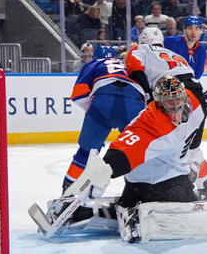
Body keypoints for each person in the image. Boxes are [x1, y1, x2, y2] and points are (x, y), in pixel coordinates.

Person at [48, 75, 207, 243]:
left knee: (131, 202)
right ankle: (137, 217)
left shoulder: (195, 103)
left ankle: (103, 211)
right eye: (169, 99)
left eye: (177, 97)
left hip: (138, 185)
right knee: (194, 217)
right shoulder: (150, 122)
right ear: (158, 101)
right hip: (159, 184)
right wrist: (99, 175)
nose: (175, 104)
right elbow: (121, 151)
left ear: (184, 94)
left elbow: (196, 98)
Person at [62, 57, 147, 192]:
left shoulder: (93, 64)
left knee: (86, 153)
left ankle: (68, 193)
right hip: (134, 101)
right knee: (136, 152)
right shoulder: (128, 64)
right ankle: (139, 192)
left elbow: (78, 95)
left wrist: (95, 113)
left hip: (103, 98)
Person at [163, 17, 207, 198]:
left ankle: (201, 186)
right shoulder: (170, 42)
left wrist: (203, 95)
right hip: (169, 98)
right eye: (190, 28)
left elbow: (193, 79)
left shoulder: (201, 51)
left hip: (185, 102)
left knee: (189, 148)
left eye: (197, 28)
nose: (193, 32)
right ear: (184, 29)